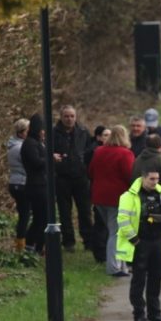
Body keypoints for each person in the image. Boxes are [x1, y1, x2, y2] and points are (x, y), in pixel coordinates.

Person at [116, 169, 161, 321]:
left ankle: (155, 313)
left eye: (157, 179)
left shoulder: (160, 193)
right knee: (139, 280)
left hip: (158, 241)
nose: (155, 182)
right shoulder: (129, 197)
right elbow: (122, 220)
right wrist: (134, 239)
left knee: (156, 277)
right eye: (152, 179)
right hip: (141, 242)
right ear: (143, 178)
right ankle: (139, 315)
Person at [89, 125, 135, 277]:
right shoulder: (125, 153)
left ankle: (121, 266)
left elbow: (90, 172)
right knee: (116, 232)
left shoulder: (99, 151)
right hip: (118, 198)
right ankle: (114, 267)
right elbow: (130, 176)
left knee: (114, 231)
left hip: (99, 197)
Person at [51, 104, 93, 251]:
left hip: (81, 177)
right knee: (64, 212)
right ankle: (68, 242)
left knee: (85, 211)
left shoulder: (83, 131)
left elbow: (90, 149)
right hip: (62, 177)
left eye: (72, 116)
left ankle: (88, 241)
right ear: (61, 117)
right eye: (66, 116)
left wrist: (84, 164)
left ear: (76, 117)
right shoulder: (54, 133)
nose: (69, 119)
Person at [20, 114, 48, 254]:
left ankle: (39, 245)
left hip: (41, 184)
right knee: (40, 217)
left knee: (43, 217)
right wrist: (50, 159)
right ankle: (32, 244)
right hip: (36, 186)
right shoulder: (30, 144)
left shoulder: (37, 142)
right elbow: (36, 162)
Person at [86, 125, 111, 264]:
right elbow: (91, 172)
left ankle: (103, 251)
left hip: (99, 190)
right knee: (101, 223)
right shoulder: (95, 151)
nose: (108, 138)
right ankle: (100, 253)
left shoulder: (102, 150)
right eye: (106, 135)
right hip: (99, 191)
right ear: (99, 137)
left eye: (110, 135)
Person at [6, 118, 31, 252]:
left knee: (24, 215)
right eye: (29, 131)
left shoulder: (13, 146)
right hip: (22, 183)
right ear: (21, 133)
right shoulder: (21, 148)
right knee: (25, 215)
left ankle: (21, 244)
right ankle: (22, 245)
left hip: (15, 182)